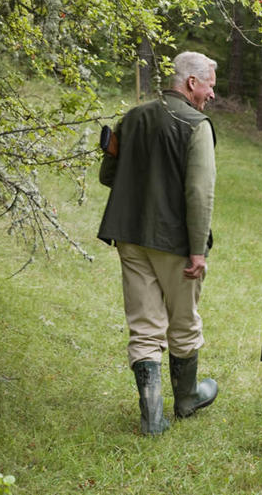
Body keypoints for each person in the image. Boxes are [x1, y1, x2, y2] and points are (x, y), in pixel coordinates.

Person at [97, 51, 219, 435]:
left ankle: (152, 417)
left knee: (144, 325)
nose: (212, 96)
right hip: (176, 243)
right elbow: (200, 194)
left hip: (130, 235)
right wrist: (197, 249)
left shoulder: (131, 118)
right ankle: (186, 399)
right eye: (210, 86)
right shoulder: (197, 125)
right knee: (183, 323)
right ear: (191, 83)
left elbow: (108, 175)